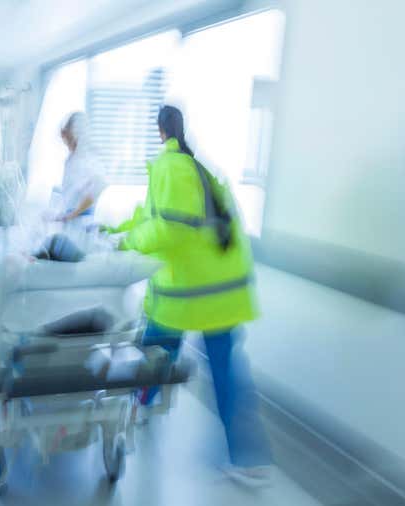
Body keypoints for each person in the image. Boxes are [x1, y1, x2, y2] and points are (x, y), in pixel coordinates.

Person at [116, 105, 273, 486]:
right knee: (226, 372)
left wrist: (128, 241)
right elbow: (154, 214)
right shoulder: (199, 168)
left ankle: (137, 407)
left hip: (188, 291)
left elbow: (171, 229)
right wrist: (117, 227)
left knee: (155, 349)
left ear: (159, 131)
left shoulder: (171, 167)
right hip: (224, 291)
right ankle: (248, 459)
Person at [56, 112, 106, 222]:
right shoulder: (72, 159)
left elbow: (99, 184)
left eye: (69, 138)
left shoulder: (89, 159)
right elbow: (70, 191)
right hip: (71, 218)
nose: (66, 143)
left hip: (82, 220)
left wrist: (74, 214)